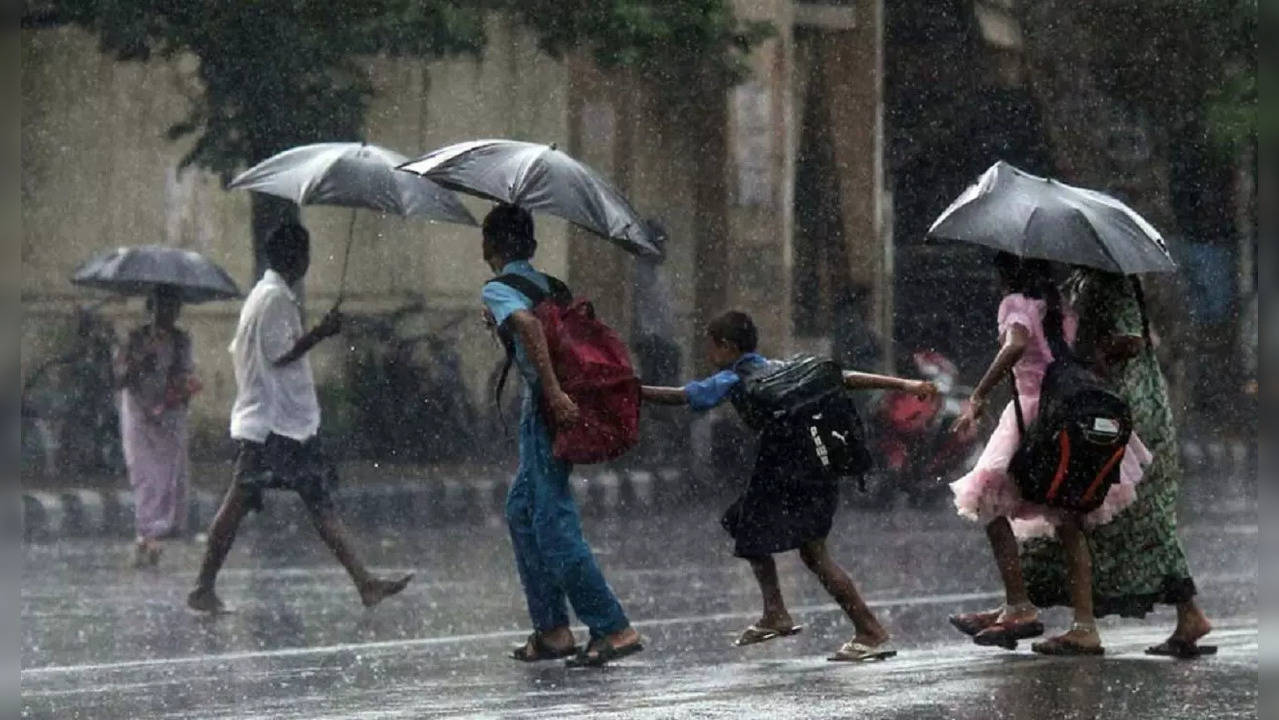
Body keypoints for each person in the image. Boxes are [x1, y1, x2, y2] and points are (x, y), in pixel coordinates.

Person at [640, 310, 936, 661]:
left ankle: (866, 629)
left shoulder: (733, 378)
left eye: (712, 347)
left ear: (728, 347)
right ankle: (776, 613)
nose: (709, 355)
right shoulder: (781, 367)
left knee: (805, 551)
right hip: (816, 466)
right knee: (753, 529)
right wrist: (904, 385)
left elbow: (684, 396)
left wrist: (633, 391)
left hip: (786, 469)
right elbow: (842, 377)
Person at [187, 223, 412, 613]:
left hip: (282, 426)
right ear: (297, 257)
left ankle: (365, 582)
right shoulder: (274, 299)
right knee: (240, 505)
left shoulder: (267, 295)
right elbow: (280, 353)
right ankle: (203, 586)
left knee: (316, 502)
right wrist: (321, 333)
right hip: (273, 427)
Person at [947, 253, 1149, 655]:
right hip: (1068, 411)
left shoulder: (1015, 304)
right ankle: (1083, 625)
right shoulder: (1060, 307)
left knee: (988, 504)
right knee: (1068, 518)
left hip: (1034, 414)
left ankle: (1019, 604)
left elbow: (1017, 344)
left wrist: (979, 393)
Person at [1017, 268, 1215, 658]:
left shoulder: (1112, 283)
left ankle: (1079, 624)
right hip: (1113, 403)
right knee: (1133, 518)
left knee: (1099, 512)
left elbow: (1133, 339)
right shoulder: (1087, 280)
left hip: (1125, 407)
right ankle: (1185, 614)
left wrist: (1095, 355)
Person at [479, 204, 642, 668]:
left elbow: (530, 328)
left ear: (490, 245)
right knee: (521, 511)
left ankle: (613, 627)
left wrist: (551, 392)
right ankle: (552, 629)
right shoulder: (551, 285)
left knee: (551, 522)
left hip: (546, 407)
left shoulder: (498, 288)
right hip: (553, 403)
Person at [115, 285, 200, 567]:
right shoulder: (134, 338)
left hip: (168, 414)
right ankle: (147, 532)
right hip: (139, 412)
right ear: (152, 308)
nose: (168, 314)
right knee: (144, 473)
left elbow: (186, 373)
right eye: (163, 308)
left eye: (173, 308)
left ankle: (156, 533)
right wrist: (141, 360)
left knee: (167, 476)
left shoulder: (180, 340)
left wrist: (181, 388)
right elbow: (120, 377)